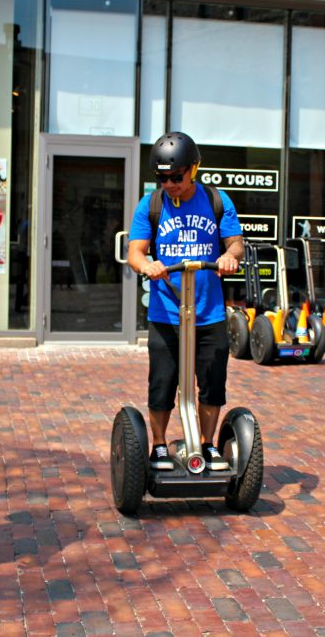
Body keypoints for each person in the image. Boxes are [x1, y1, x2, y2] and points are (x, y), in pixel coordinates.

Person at [126, 132, 244, 471]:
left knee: (212, 381)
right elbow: (135, 251)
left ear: (193, 169)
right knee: (162, 381)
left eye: (176, 177)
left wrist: (228, 257)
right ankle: (160, 445)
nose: (170, 184)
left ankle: (207, 445)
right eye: (162, 178)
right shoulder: (149, 205)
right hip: (166, 311)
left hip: (209, 311)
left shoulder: (217, 200)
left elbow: (235, 244)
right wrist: (147, 264)